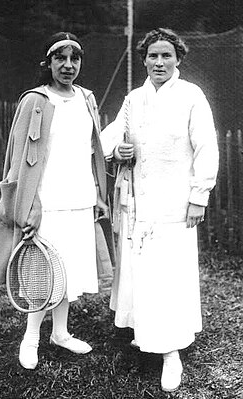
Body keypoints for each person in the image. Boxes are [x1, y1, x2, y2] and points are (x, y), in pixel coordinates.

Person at [100, 28, 219, 392]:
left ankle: (171, 354)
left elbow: (206, 148)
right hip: (138, 201)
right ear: (145, 60)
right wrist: (115, 150)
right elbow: (111, 136)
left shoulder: (191, 96)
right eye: (152, 55)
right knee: (141, 271)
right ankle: (144, 334)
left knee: (168, 275)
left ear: (178, 58)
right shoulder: (134, 99)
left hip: (175, 204)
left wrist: (199, 196)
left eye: (166, 55)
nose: (159, 62)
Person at [0, 32, 109, 370]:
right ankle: (31, 337)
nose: (68, 66)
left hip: (80, 198)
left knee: (68, 269)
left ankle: (61, 332)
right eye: (60, 58)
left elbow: (92, 151)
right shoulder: (35, 100)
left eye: (75, 59)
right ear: (48, 62)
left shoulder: (87, 98)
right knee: (43, 271)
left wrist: (98, 194)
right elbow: (18, 157)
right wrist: (29, 203)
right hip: (46, 201)